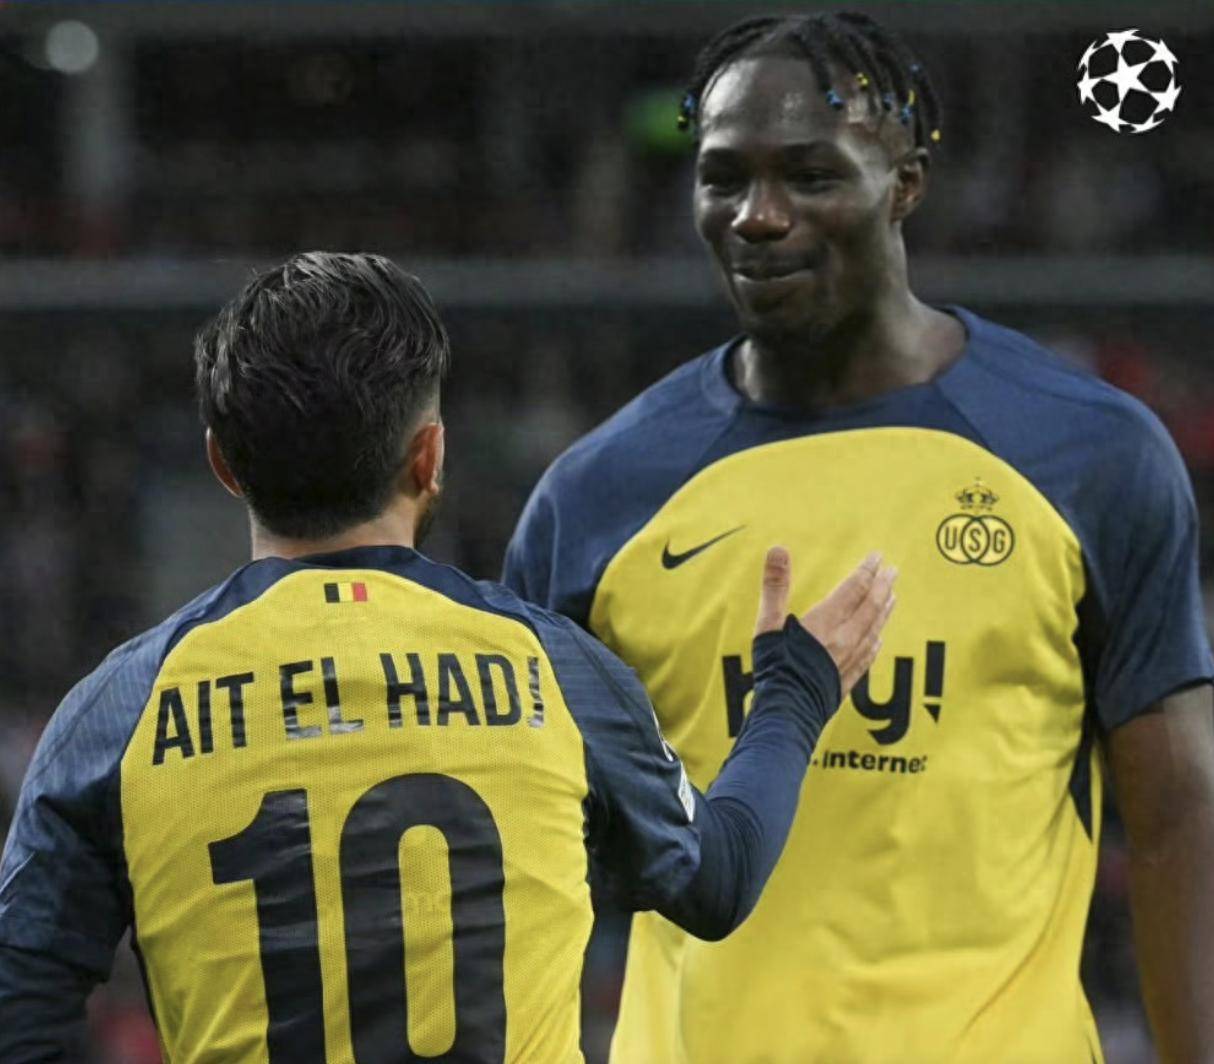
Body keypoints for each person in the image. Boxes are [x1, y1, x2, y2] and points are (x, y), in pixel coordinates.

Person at [504, 12, 1214, 1063]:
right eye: (721, 177)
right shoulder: (595, 498)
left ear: (904, 184)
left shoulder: (1090, 456)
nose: (757, 215)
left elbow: (1172, 812)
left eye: (809, 175)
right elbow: (520, 853)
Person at [0, 252, 894, 1062]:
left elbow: (19, 1012)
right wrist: (795, 691)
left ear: (223, 465)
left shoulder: (117, 713)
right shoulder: (554, 670)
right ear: (429, 457)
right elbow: (720, 880)